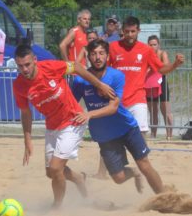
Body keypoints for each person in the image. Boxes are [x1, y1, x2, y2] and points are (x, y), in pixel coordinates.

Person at [12, 44, 115, 209]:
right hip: (52, 126)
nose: (24, 69)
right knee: (50, 172)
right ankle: (78, 178)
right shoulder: (19, 85)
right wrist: (27, 140)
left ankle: (57, 207)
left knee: (55, 168)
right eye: (20, 66)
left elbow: (76, 66)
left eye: (27, 64)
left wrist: (99, 85)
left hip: (73, 120)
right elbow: (25, 112)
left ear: (35, 61)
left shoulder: (50, 67)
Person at [72, 39, 165, 194]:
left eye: (101, 53)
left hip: (126, 127)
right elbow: (71, 104)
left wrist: (89, 114)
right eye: (94, 54)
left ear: (107, 56)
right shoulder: (80, 80)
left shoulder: (116, 76)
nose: (98, 57)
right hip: (104, 135)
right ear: (88, 57)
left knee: (144, 164)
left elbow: (113, 108)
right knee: (118, 178)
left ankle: (165, 196)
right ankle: (133, 172)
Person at [108, 16, 184, 138]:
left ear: (139, 31)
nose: (130, 34)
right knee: (111, 142)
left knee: (141, 137)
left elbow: (161, 69)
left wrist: (175, 64)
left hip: (137, 99)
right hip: (117, 100)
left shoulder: (146, 50)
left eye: (133, 31)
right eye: (127, 31)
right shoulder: (113, 47)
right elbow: (104, 70)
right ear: (122, 31)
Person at [146, 35, 174, 140]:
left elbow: (166, 66)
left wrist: (153, 66)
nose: (152, 46)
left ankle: (169, 135)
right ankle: (153, 134)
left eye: (154, 44)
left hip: (161, 82)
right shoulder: (146, 54)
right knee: (153, 111)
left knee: (165, 110)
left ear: (158, 45)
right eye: (150, 45)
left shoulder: (162, 54)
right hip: (149, 84)